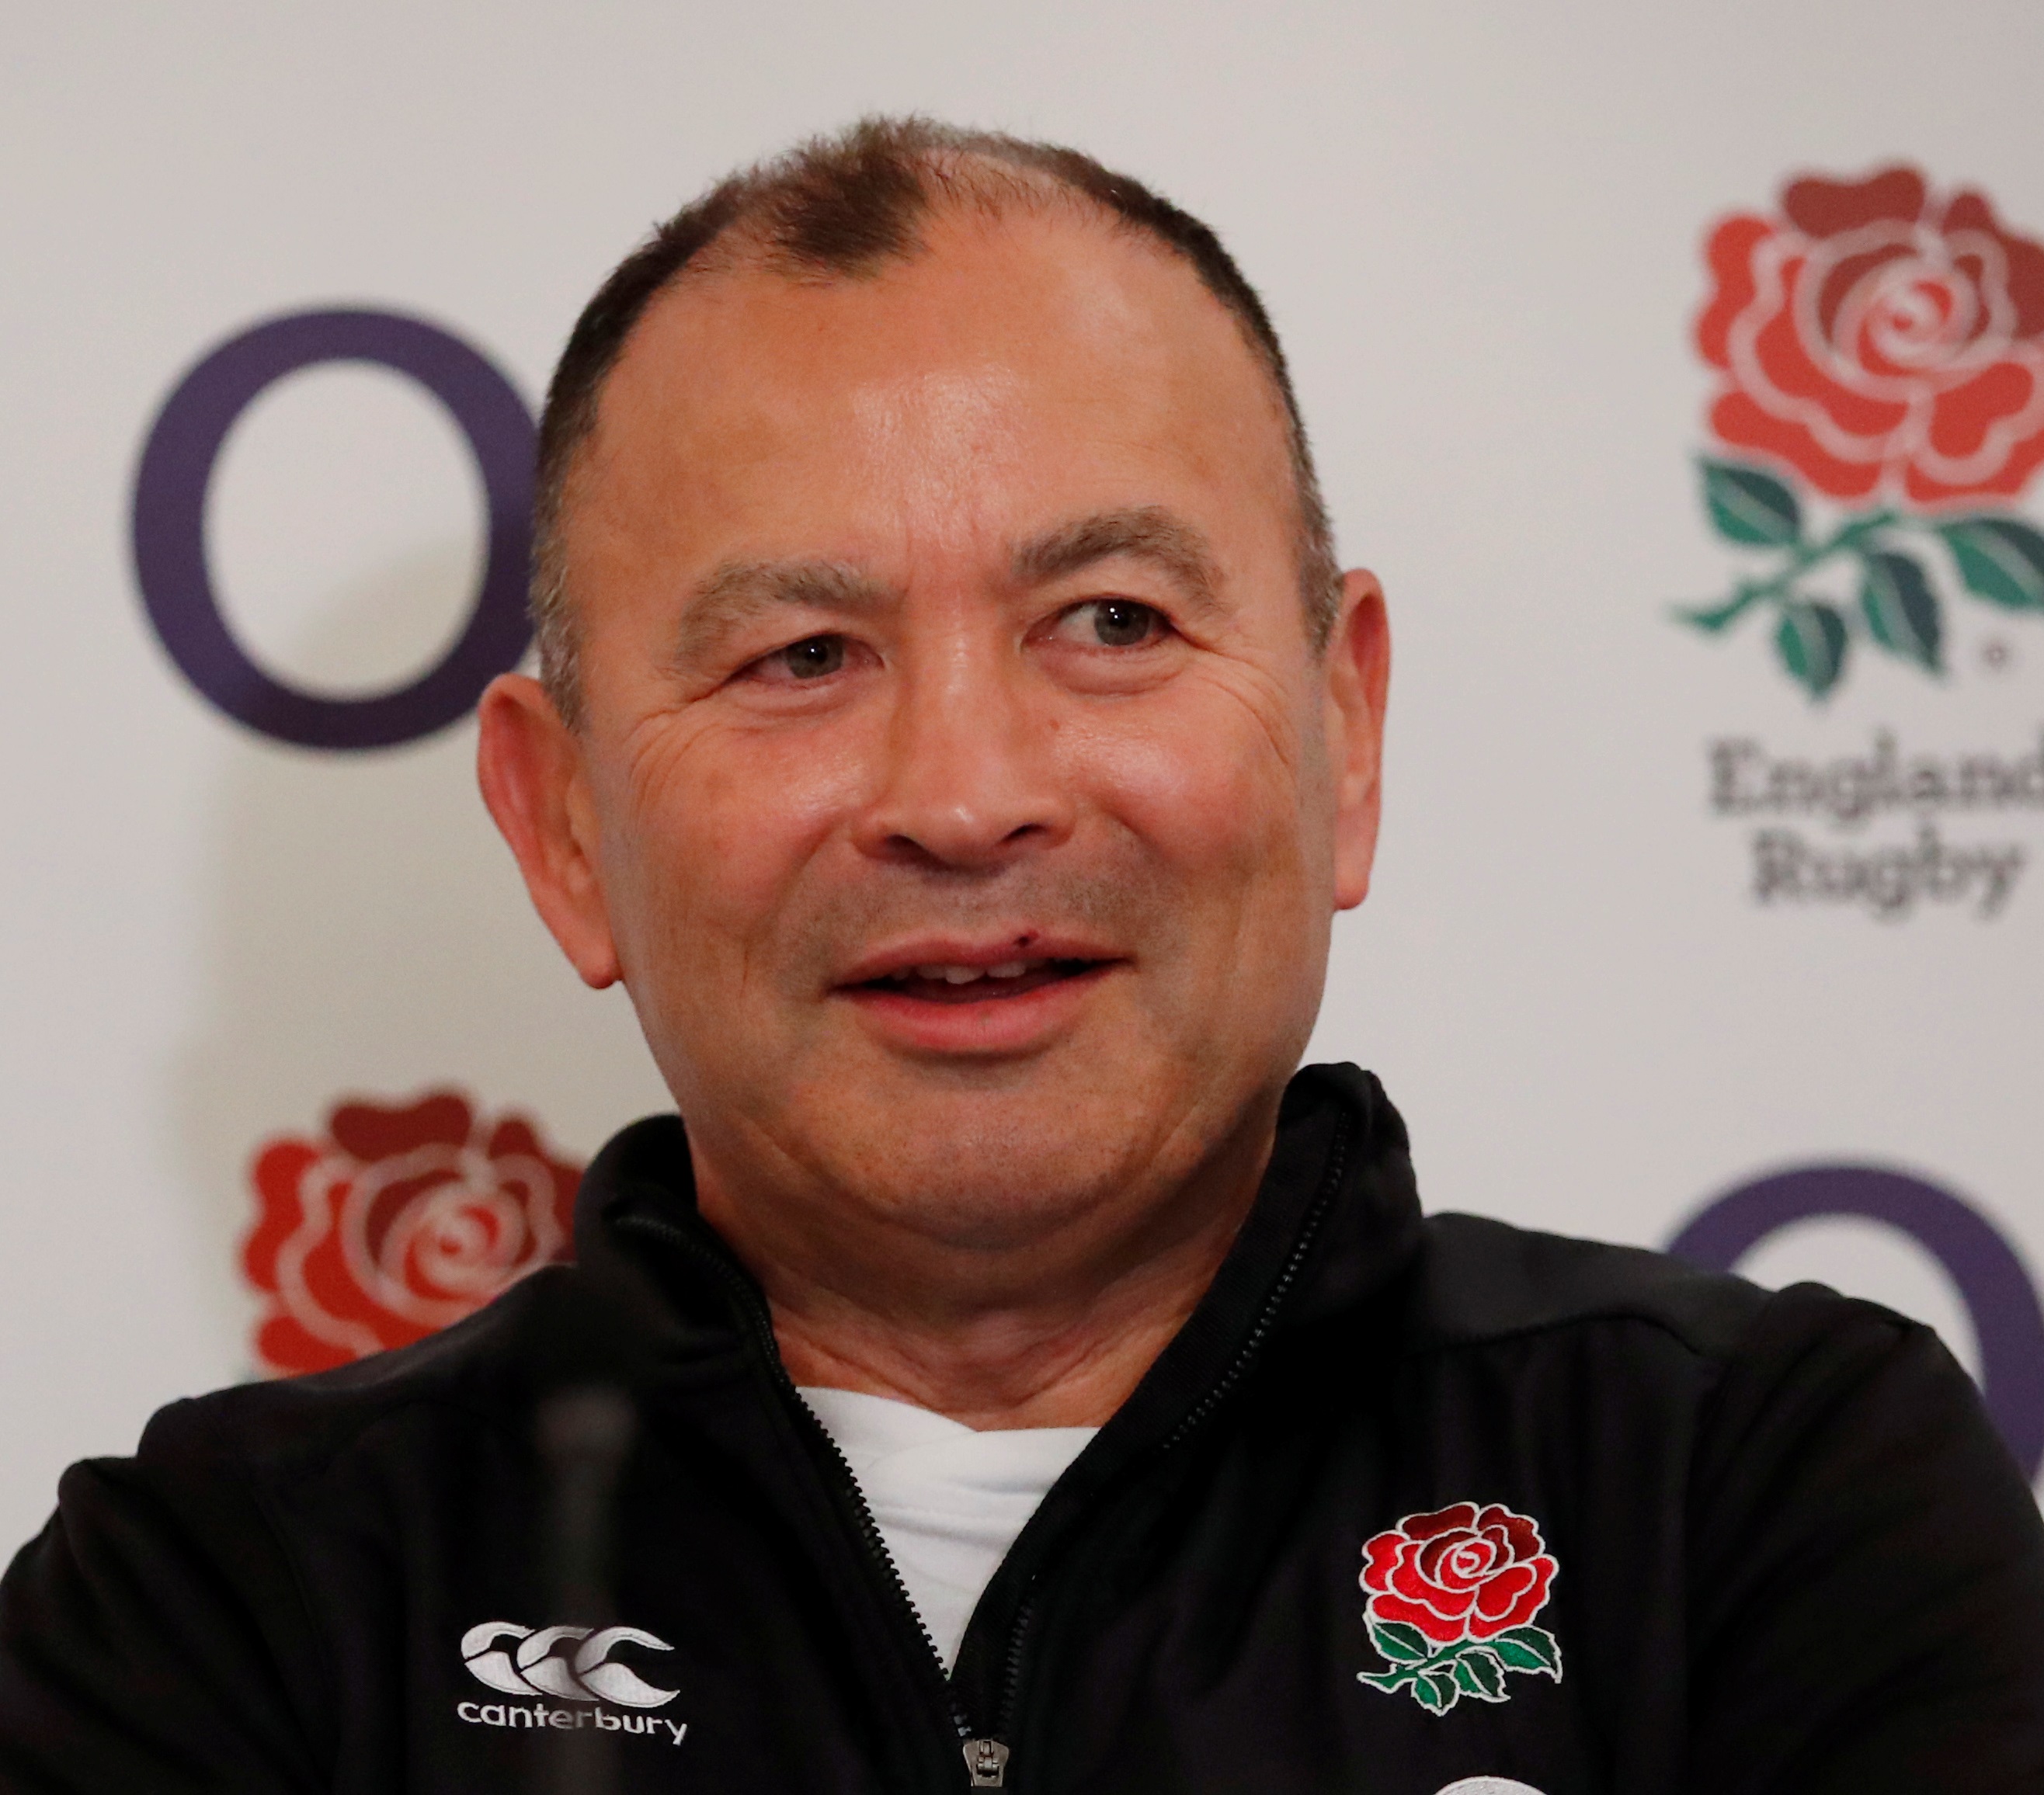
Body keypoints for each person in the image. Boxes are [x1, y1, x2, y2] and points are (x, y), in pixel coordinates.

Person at [2, 117, 2041, 1795]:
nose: (965, 797)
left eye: (1116, 622)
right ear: (561, 831)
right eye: (803, 656)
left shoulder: (1759, 1496)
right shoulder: (227, 1603)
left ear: (1345, 732)